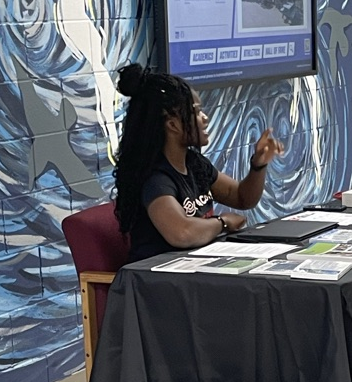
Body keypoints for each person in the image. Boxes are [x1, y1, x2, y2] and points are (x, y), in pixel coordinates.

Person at [113, 63, 283, 263]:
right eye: (196, 111)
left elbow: (242, 198)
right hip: (160, 275)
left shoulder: (194, 163)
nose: (205, 118)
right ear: (173, 124)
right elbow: (182, 232)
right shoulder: (156, 178)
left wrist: (258, 166)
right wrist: (222, 223)